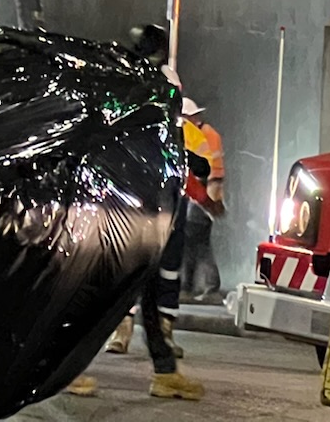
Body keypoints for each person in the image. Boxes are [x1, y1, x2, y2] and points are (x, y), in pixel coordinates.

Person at [71, 22, 203, 401]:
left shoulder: (131, 97)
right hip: (129, 215)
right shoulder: (144, 104)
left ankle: (164, 369)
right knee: (99, 292)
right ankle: (63, 370)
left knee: (139, 292)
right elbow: (149, 151)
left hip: (133, 212)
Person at [180, 100, 225, 303]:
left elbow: (203, 170)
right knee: (198, 243)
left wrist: (208, 201)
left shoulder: (202, 135)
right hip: (204, 195)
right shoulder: (202, 134)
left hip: (203, 196)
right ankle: (200, 286)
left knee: (194, 242)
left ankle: (194, 286)